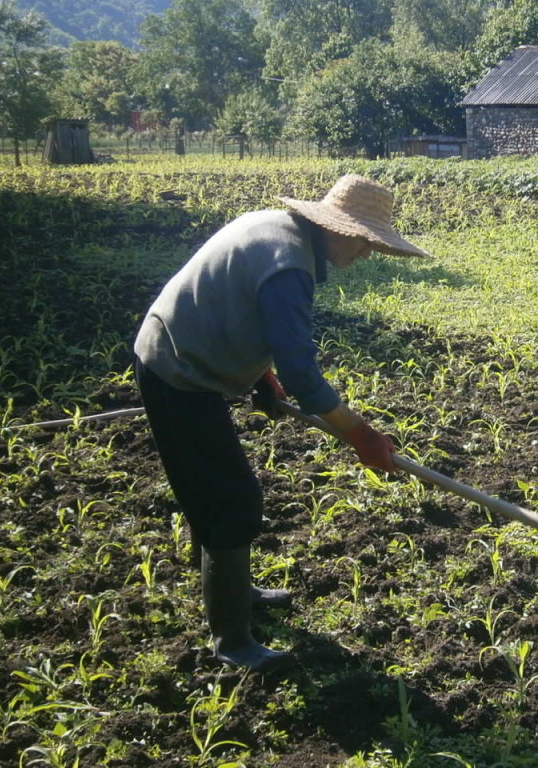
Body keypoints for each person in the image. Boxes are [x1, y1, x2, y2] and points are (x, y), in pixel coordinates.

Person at [133, 174, 429, 671]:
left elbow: (236, 304)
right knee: (232, 500)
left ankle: (231, 585)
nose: (367, 253)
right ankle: (232, 641)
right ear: (336, 228)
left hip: (178, 352)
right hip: (180, 371)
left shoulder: (273, 228)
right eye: (365, 240)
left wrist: (258, 374)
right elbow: (304, 377)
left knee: (209, 489)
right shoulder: (290, 264)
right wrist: (362, 436)